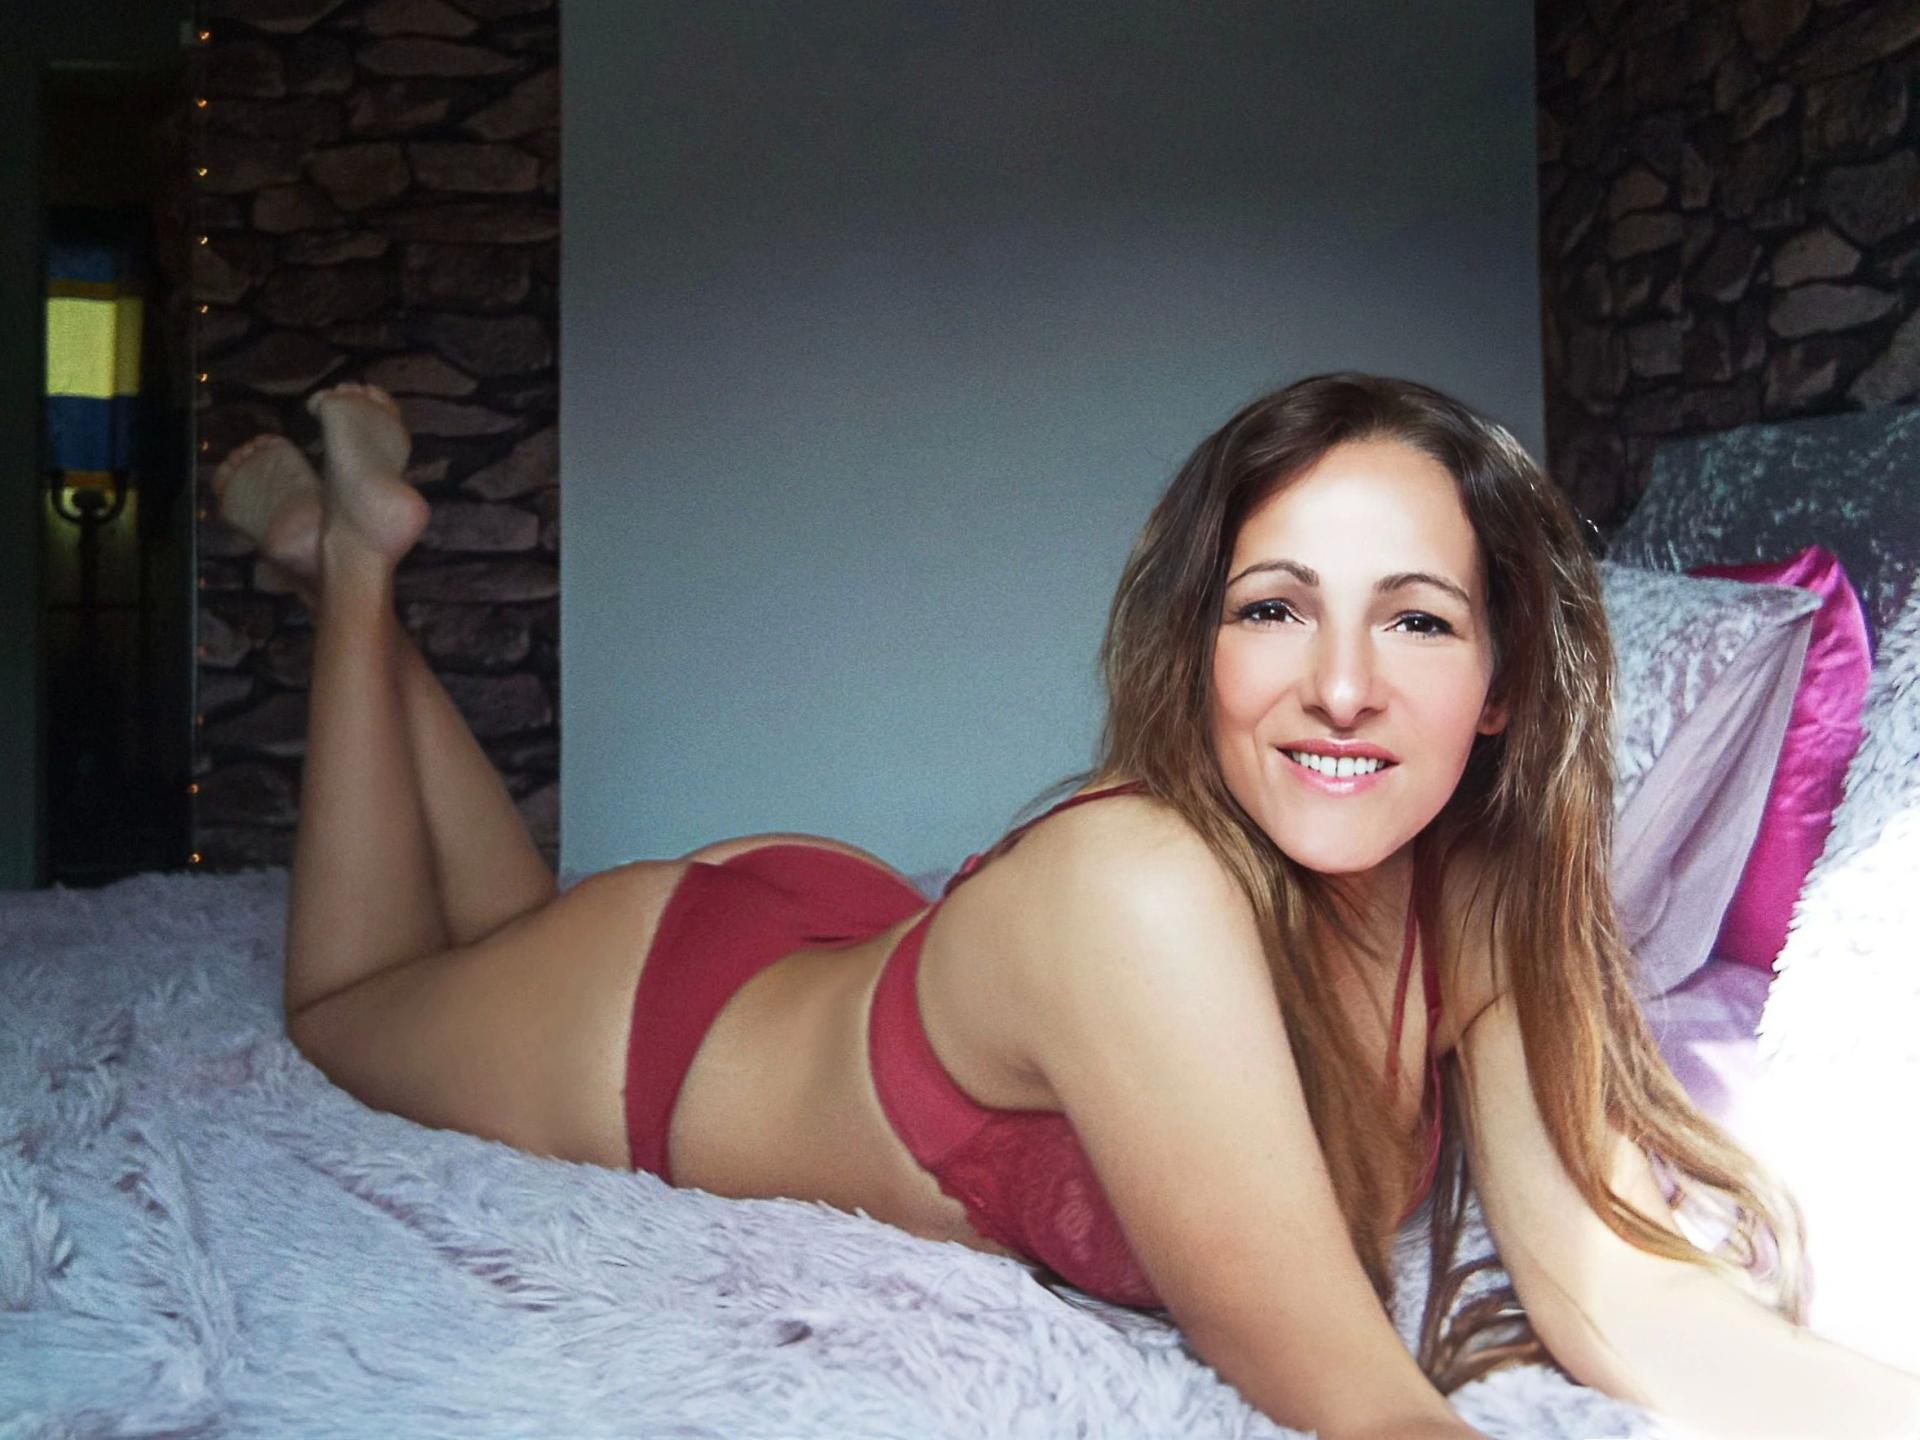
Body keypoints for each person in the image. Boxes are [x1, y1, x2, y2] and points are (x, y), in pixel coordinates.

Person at [222, 373, 1920, 1440]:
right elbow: (1357, 1400)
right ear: (1201, 649)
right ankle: (357, 573)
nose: (1341, 685)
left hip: (864, 934)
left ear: (1500, 685)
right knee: (354, 1003)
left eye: (1416, 620)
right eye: (1273, 609)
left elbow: (1623, 1299)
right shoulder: (1139, 894)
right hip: (669, 1012)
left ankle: (339, 557)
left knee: (487, 928)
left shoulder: (1480, 905)